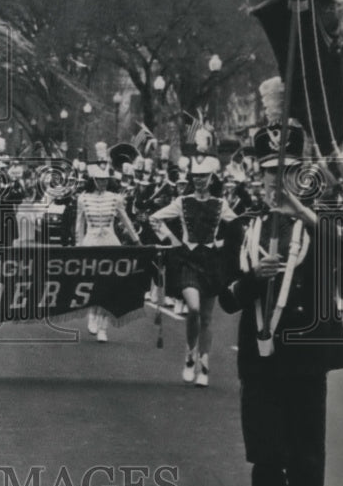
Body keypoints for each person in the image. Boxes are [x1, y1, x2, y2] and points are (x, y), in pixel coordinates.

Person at [218, 121, 343, 486]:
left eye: (290, 170)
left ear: (302, 174)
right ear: (258, 174)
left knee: (308, 457)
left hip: (308, 356)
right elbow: (227, 297)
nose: (279, 180)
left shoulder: (317, 224)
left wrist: (301, 210)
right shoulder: (241, 226)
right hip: (261, 355)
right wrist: (255, 277)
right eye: (272, 172)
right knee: (268, 454)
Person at [150, 152, 238, 386]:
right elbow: (154, 218)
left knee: (207, 318)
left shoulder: (221, 204)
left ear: (212, 178)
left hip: (211, 262)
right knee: (194, 309)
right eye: (196, 176)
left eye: (204, 176)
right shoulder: (182, 201)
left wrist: (223, 243)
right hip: (188, 260)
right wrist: (172, 240)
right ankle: (190, 355)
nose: (199, 180)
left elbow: (238, 227)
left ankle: (204, 364)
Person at [75, 161, 141, 342]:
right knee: (93, 282)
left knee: (108, 285)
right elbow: (79, 225)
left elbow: (125, 220)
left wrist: (136, 240)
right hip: (90, 243)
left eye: (105, 180)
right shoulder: (83, 198)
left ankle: (103, 327)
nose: (103, 183)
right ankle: (92, 315)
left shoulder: (115, 198)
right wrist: (78, 246)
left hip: (111, 242)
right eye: (99, 180)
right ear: (93, 180)